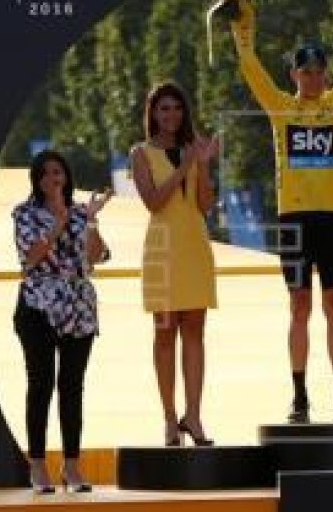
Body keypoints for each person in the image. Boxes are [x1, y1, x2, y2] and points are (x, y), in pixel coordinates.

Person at [229, 0, 333, 423]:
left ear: (325, 75)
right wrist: (242, 20)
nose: (312, 77)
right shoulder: (281, 109)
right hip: (294, 219)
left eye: (318, 71)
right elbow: (250, 67)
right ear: (293, 75)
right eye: (305, 71)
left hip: (331, 217)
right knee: (299, 305)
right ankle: (299, 397)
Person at [12, 150, 112, 494]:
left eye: (58, 172)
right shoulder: (24, 213)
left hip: (79, 308)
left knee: (73, 387)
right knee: (41, 384)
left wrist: (93, 220)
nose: (53, 178)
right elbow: (31, 258)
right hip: (38, 306)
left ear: (67, 177)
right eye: (45, 173)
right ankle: (37, 465)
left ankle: (71, 465)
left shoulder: (84, 214)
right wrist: (58, 220)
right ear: (36, 180)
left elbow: (96, 257)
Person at [130, 81, 220, 447]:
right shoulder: (140, 153)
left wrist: (202, 166)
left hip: (194, 246)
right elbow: (153, 201)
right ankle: (169, 419)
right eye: (164, 108)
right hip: (162, 252)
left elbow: (204, 205)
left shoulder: (192, 149)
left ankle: (194, 416)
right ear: (152, 113)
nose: (171, 115)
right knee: (165, 334)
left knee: (195, 333)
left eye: (177, 108)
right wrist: (184, 167)